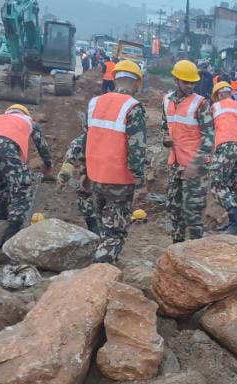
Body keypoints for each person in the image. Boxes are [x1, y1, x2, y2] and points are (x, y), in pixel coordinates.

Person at [83, 60, 147, 263]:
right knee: (115, 233)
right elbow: (136, 149)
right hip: (119, 180)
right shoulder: (133, 108)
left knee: (104, 225)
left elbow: (87, 139)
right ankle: (98, 274)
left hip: (96, 175)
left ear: (114, 78)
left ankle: (104, 264)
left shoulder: (94, 103)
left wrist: (83, 171)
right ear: (137, 83)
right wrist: (140, 182)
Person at [0, 105, 53, 241]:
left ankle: (1, 223)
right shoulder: (28, 120)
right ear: (25, 113)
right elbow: (42, 146)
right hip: (4, 145)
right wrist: (48, 165)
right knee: (22, 187)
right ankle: (11, 235)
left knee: (2, 184)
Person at [162, 60, 213, 242]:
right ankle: (177, 248)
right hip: (175, 164)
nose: (191, 86)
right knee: (174, 208)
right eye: (186, 82)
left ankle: (197, 251)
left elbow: (209, 137)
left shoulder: (201, 104)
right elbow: (165, 126)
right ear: (176, 80)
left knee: (193, 213)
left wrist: (195, 163)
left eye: (193, 82)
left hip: (195, 168)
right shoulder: (167, 101)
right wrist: (166, 140)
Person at [210, 81, 237, 235]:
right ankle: (233, 225)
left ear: (220, 95)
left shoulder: (216, 107)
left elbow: (208, 131)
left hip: (226, 146)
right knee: (233, 187)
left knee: (216, 184)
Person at [56, 129, 99, 235]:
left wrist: (64, 175)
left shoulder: (83, 139)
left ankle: (94, 229)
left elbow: (71, 156)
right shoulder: (114, 135)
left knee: (84, 195)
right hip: (114, 172)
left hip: (104, 172)